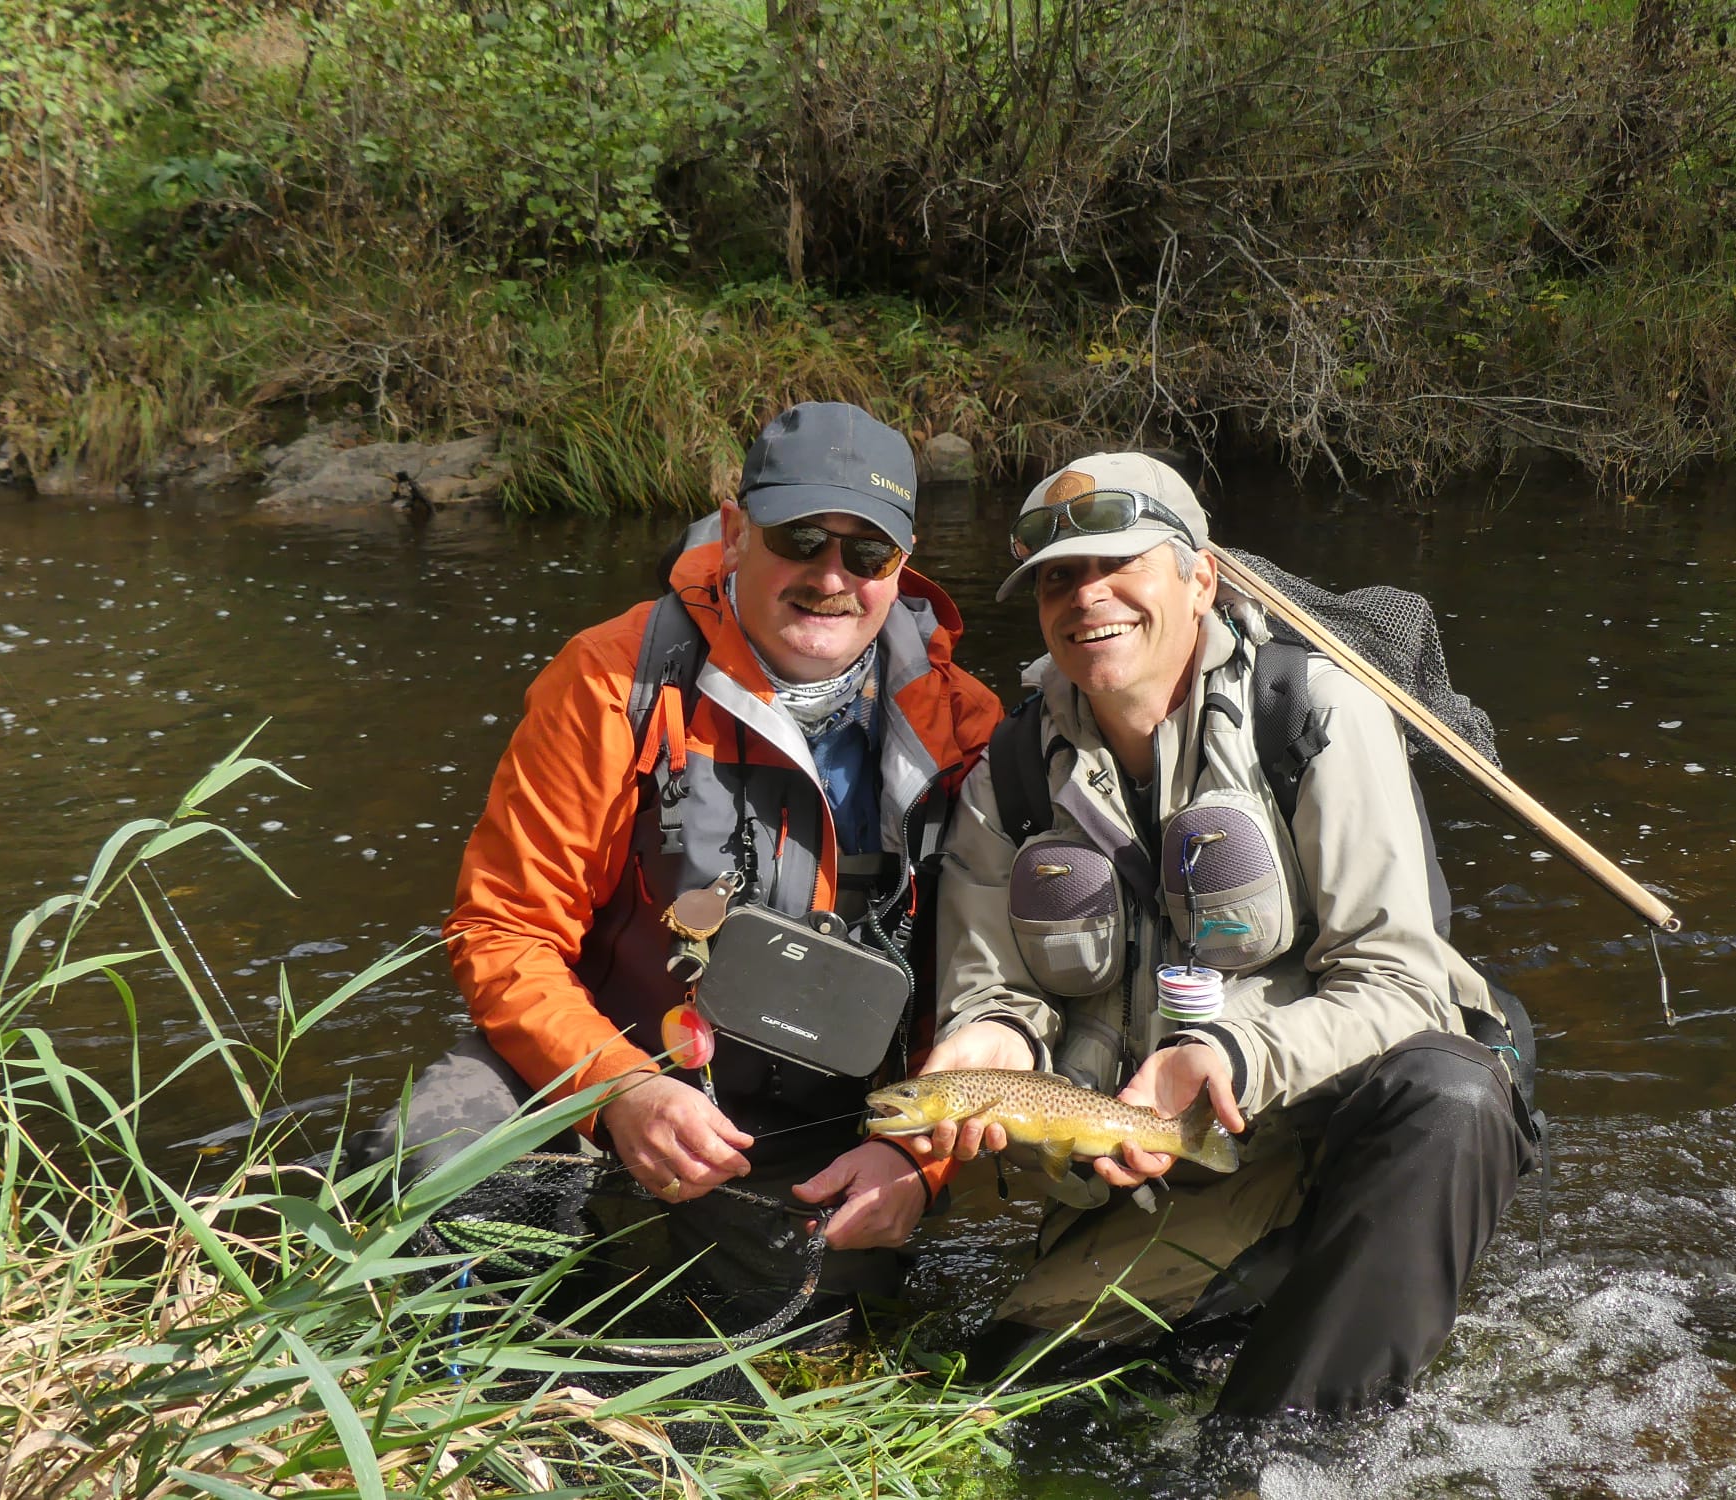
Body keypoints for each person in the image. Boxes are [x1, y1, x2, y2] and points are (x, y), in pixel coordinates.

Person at [909, 451, 1542, 1416]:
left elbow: (1403, 981)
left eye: (1119, 564)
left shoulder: (1315, 713)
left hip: (1339, 1139)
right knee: (1005, 1392)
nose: (1087, 598)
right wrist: (988, 1041)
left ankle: (1289, 1455)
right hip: (1165, 1170)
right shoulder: (1010, 777)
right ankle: (1258, 1309)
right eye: (1059, 578)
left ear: (1200, 576)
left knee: (1451, 1094)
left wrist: (1231, 1058)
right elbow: (991, 990)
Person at [356, 401, 1001, 1307]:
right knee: (437, 1159)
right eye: (800, 536)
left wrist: (914, 1160)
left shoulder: (965, 726)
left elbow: (983, 993)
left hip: (831, 1119)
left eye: (867, 553)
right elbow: (504, 931)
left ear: (902, 564)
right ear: (737, 532)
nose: (830, 577)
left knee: (802, 1311)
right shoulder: (612, 677)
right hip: (597, 1071)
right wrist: (617, 1092)